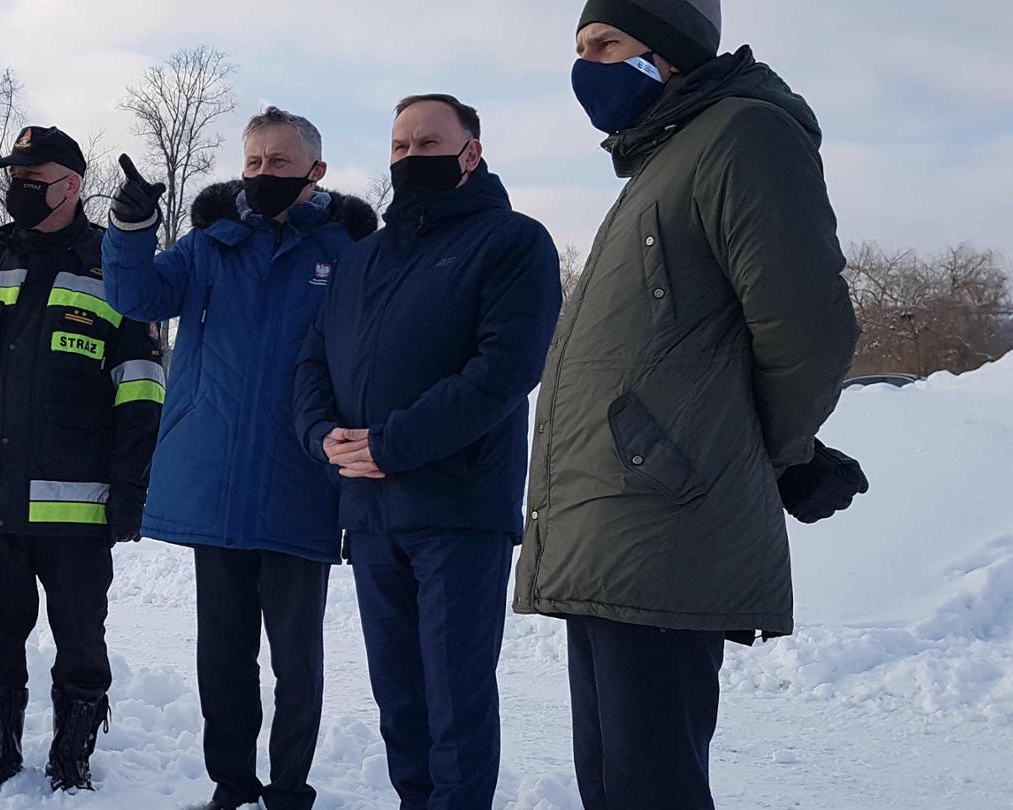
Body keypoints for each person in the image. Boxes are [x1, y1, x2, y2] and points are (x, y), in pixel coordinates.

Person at [515, 3, 867, 808]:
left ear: (669, 51)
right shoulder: (666, 159)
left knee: (651, 785)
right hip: (613, 527)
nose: (586, 66)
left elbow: (807, 328)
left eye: (606, 44)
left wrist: (775, 453)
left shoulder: (743, 135)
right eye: (581, 47)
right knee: (612, 782)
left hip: (666, 519)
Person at [104, 107, 377, 810]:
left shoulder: (346, 255)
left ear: (315, 171)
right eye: (253, 162)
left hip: (302, 479)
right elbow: (134, 295)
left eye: (279, 163)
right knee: (222, 654)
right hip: (216, 480)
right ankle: (231, 783)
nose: (262, 175)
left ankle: (289, 788)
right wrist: (129, 226)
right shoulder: (209, 246)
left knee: (297, 659)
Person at [292, 95, 560, 809]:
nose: (412, 157)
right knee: (401, 704)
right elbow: (313, 365)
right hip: (373, 515)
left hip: (458, 509)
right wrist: (324, 438)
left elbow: (503, 371)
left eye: (430, 143)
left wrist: (395, 444)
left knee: (455, 704)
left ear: (471, 151)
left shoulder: (513, 242)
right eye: (401, 147)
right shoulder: (359, 262)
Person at [0, 125, 164, 805]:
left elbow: (141, 392)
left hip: (82, 510)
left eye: (35, 177)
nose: (20, 187)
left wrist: (131, 488)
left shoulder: (111, 272)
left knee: (82, 640)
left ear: (73, 185)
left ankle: (71, 759)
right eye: (15, 177)